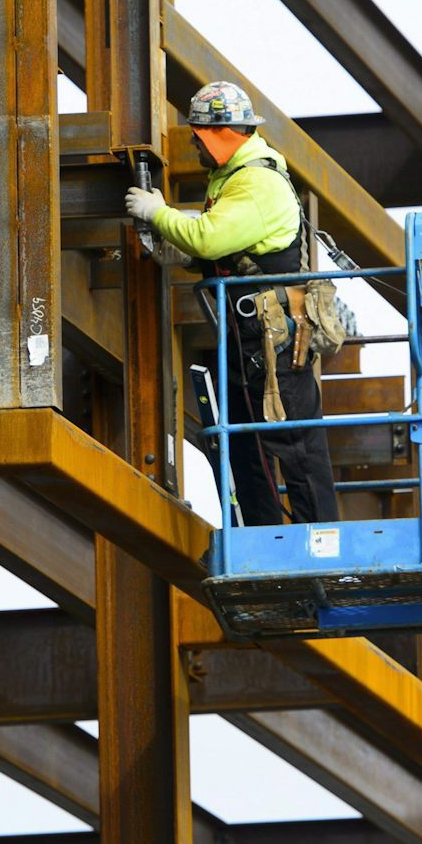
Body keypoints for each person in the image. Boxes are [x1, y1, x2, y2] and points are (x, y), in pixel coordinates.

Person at [124, 81, 339, 528]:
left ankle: (321, 545)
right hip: (250, 344)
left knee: (296, 446)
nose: (192, 144)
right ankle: (265, 541)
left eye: (196, 135)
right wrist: (174, 239)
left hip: (275, 345)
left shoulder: (257, 183)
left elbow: (208, 237)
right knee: (246, 448)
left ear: (216, 135)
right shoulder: (233, 182)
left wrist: (157, 212)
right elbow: (216, 247)